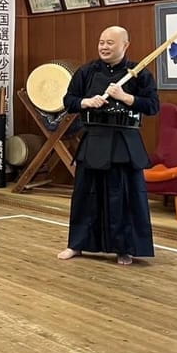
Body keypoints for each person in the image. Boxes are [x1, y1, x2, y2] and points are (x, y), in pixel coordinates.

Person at [57, 26, 159, 266]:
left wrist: (125, 97)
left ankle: (124, 248)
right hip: (94, 139)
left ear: (125, 45)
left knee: (122, 196)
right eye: (101, 42)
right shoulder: (87, 72)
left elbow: (153, 106)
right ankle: (76, 244)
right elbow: (69, 101)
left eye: (110, 43)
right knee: (85, 195)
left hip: (124, 142)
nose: (104, 47)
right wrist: (86, 102)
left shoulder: (138, 73)